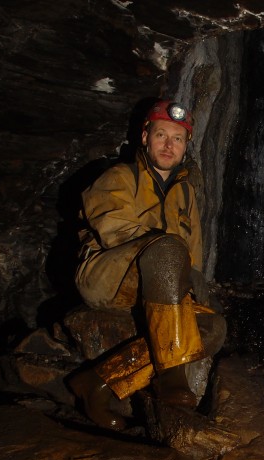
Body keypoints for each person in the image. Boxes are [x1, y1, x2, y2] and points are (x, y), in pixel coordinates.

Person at [67, 99, 225, 431]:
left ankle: (98, 383)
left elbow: (192, 254)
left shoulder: (186, 194)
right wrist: (168, 251)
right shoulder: (118, 177)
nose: (169, 145)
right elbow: (113, 229)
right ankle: (171, 374)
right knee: (167, 249)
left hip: (160, 290)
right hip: (108, 276)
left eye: (178, 138)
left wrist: (193, 281)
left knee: (213, 328)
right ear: (145, 137)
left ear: (185, 147)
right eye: (161, 135)